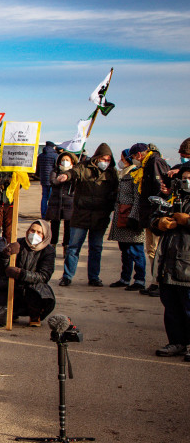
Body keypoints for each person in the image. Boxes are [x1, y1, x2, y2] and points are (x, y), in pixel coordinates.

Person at [58, 143, 117, 287]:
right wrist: (66, 175)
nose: (106, 162)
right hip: (81, 215)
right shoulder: (84, 167)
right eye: (103, 159)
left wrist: (109, 208)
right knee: (73, 247)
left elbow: (115, 192)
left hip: (100, 217)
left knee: (96, 248)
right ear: (97, 158)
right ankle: (67, 276)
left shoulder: (111, 172)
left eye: (108, 160)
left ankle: (94, 277)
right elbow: (74, 172)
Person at [0, 220, 56, 328]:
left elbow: (44, 276)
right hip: (12, 287)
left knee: (35, 291)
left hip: (33, 289)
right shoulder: (18, 244)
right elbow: (2, 270)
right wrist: (6, 255)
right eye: (32, 230)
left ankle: (35, 315)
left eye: (39, 232)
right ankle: (13, 312)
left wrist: (21, 273)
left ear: (45, 235)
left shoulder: (48, 251)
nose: (34, 234)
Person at [152, 166, 190, 358]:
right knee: (171, 308)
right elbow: (154, 219)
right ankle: (176, 342)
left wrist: (187, 221)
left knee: (188, 307)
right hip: (168, 263)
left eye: (189, 178)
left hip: (187, 265)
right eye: (184, 178)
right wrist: (158, 223)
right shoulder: (173, 198)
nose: (186, 182)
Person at [109, 148, 147, 291]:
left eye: (123, 158)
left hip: (131, 217)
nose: (121, 161)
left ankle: (139, 280)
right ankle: (125, 278)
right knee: (125, 250)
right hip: (121, 216)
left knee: (136, 250)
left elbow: (138, 198)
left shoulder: (136, 174)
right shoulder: (124, 173)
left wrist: (134, 217)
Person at [46, 151, 76, 251]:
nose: (65, 162)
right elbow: (53, 181)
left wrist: (69, 177)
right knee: (54, 226)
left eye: (67, 160)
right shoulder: (55, 171)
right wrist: (60, 179)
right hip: (56, 203)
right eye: (63, 160)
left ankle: (66, 246)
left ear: (72, 162)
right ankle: (52, 246)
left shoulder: (74, 173)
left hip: (69, 204)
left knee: (68, 227)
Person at [36, 141, 58, 219]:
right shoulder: (55, 156)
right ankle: (50, 214)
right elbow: (56, 168)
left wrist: (39, 175)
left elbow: (38, 168)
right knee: (51, 197)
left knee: (44, 197)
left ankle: (43, 214)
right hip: (52, 179)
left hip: (43, 179)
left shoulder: (41, 156)